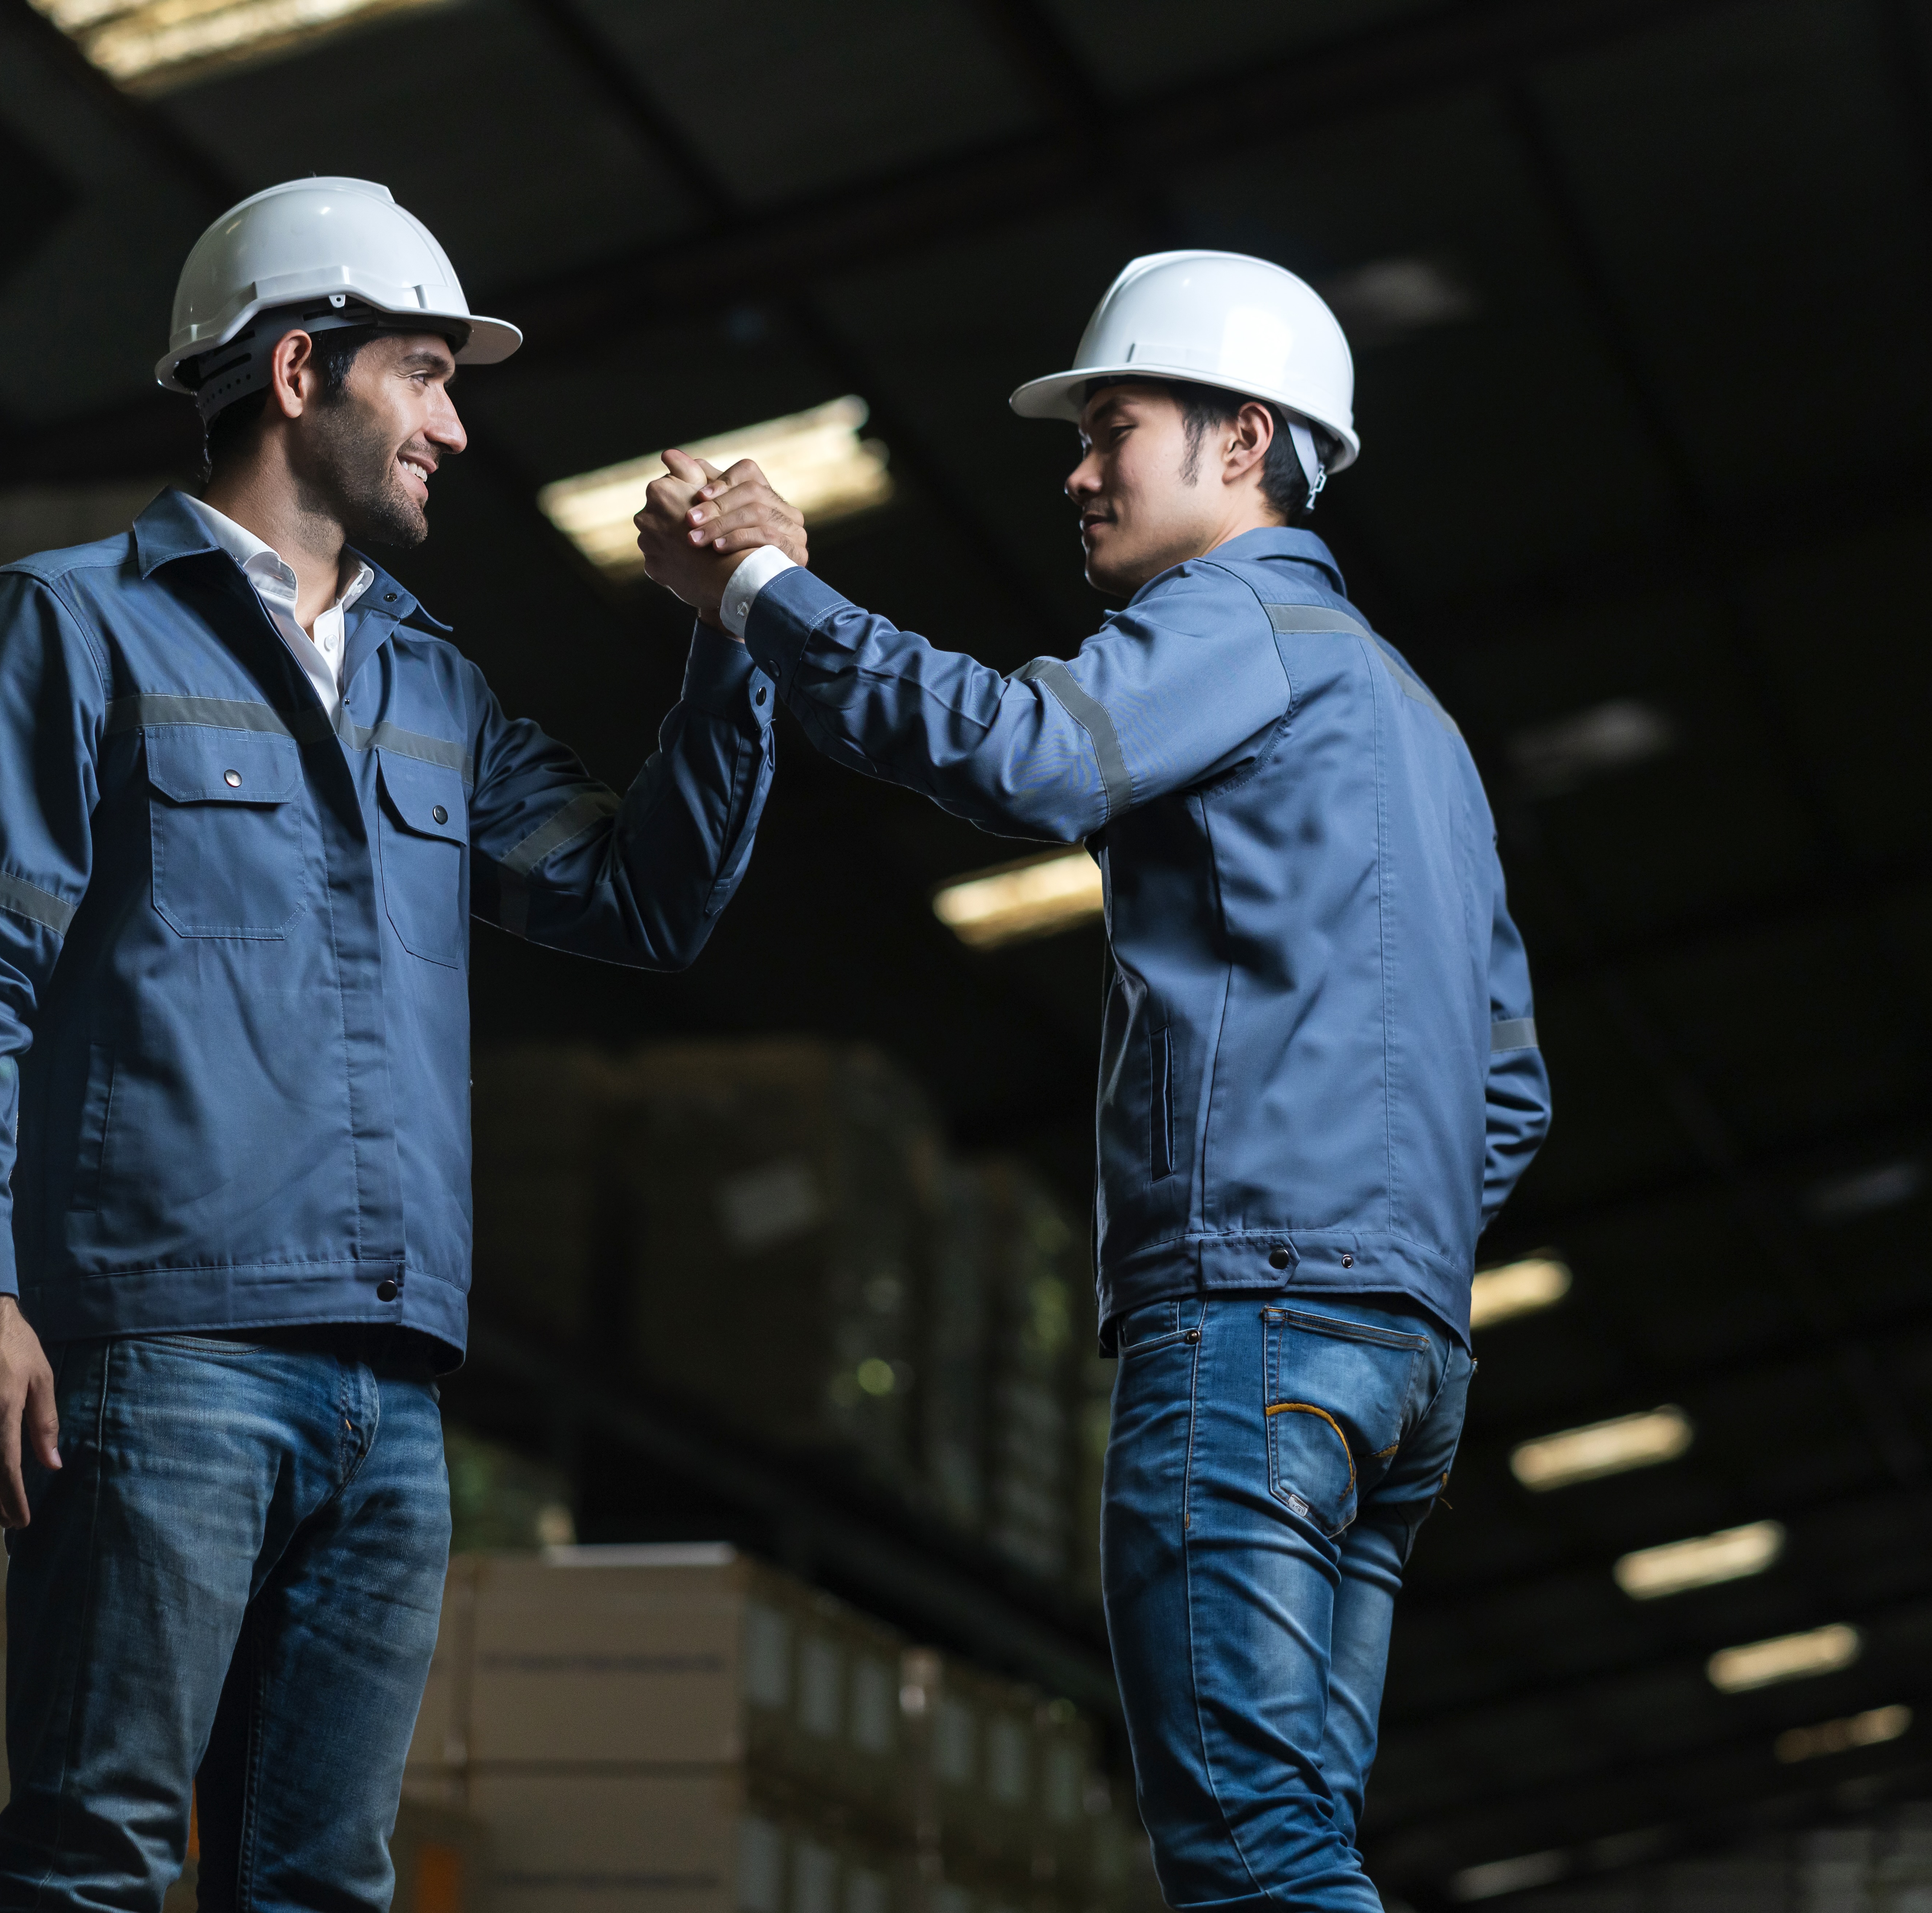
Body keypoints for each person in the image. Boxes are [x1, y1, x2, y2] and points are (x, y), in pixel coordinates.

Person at [0, 176, 785, 1913]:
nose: (452, 422)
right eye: (426, 374)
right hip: (164, 1354)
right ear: (301, 369)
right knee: (98, 1857)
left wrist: (733, 633)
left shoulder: (433, 688)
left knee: (321, 1887)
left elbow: (641, 901)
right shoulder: (71, 626)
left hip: (390, 1387)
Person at [637, 250, 1552, 1910]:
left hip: (1255, 1324)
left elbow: (1026, 755)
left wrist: (767, 590)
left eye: (1111, 426)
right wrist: (1374, 1241)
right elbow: (1507, 1090)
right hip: (1397, 1362)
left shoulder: (1237, 625)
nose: (1073, 470)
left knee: (1251, 1851)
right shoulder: (1420, 727)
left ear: (1241, 441)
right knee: (1298, 1831)